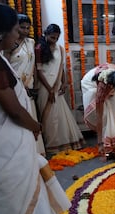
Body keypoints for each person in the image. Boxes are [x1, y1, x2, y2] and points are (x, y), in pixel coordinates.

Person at [0, 4, 87, 214]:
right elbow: (13, 109)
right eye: (14, 31)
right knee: (23, 208)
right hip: (4, 149)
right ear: (0, 34)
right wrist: (34, 126)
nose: (18, 36)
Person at [35, 24, 84, 154]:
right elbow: (38, 72)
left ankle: (62, 143)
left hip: (56, 85)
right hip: (45, 86)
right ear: (45, 34)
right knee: (49, 116)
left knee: (59, 114)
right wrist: (50, 89)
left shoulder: (60, 49)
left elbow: (60, 68)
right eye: (52, 37)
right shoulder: (39, 48)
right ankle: (51, 145)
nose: (54, 40)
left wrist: (64, 82)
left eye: (57, 38)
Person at [6, 13, 45, 155]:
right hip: (14, 86)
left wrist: (35, 84)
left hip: (29, 85)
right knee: (18, 118)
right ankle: (21, 152)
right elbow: (6, 65)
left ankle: (35, 151)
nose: (25, 31)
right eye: (22, 28)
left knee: (30, 115)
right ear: (15, 27)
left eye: (28, 28)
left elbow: (33, 64)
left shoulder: (31, 42)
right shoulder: (9, 44)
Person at [81, 62, 115, 131]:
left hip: (108, 81)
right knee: (105, 110)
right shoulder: (103, 86)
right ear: (113, 86)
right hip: (90, 83)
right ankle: (108, 130)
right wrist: (100, 139)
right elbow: (99, 114)